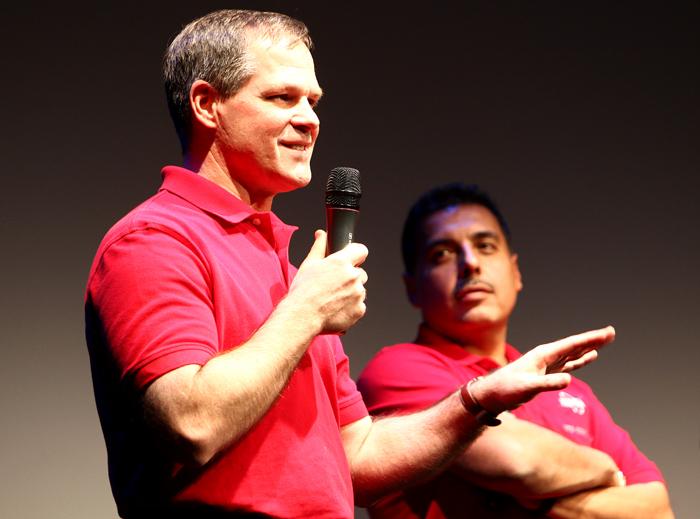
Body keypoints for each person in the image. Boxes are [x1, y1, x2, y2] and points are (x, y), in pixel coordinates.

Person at [85, 10, 616, 518]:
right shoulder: (154, 239)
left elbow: (355, 455)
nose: (309, 120)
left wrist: (477, 401)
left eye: (314, 101)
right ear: (207, 104)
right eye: (282, 98)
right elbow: (191, 423)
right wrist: (307, 310)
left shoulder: (293, 273)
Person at [357, 183, 673, 518]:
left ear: (516, 271)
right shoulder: (397, 369)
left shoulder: (573, 391)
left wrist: (528, 498)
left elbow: (657, 509)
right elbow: (519, 462)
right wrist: (608, 470)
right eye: (442, 254)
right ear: (413, 287)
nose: (470, 263)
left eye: (486, 246)